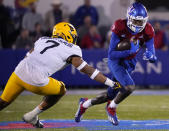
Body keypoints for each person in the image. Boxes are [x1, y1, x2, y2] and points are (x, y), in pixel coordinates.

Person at [0, 22, 119, 128]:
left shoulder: (42, 40)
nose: (73, 39)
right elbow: (88, 70)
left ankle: (32, 117)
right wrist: (111, 83)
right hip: (36, 81)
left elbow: (28, 55)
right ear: (67, 34)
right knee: (61, 89)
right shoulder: (72, 48)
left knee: (3, 101)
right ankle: (32, 115)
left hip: (18, 72)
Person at [74, 2, 157, 125]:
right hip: (116, 61)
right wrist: (129, 51)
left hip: (130, 62)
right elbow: (111, 54)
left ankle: (84, 104)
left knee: (111, 94)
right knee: (129, 87)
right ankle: (111, 107)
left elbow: (153, 55)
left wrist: (151, 56)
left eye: (141, 22)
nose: (138, 25)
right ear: (129, 17)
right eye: (136, 21)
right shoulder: (119, 25)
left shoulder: (148, 29)